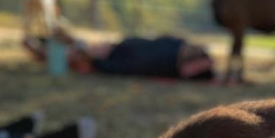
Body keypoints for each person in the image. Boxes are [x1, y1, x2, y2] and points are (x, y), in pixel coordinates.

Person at [24, 33, 215, 80]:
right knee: (78, 47)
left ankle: (45, 50)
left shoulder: (170, 56)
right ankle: (46, 45)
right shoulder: (173, 46)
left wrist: (98, 61)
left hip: (122, 56)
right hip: (124, 50)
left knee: (79, 52)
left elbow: (133, 66)